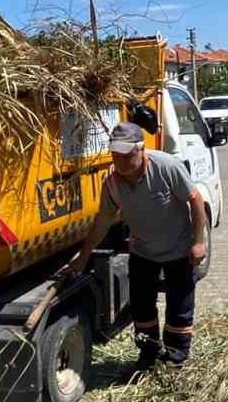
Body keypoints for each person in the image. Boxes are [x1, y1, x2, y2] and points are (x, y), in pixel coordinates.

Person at [64, 121, 207, 366]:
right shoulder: (112, 181)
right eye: (115, 155)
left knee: (179, 306)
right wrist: (83, 256)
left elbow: (195, 200)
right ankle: (149, 355)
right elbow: (102, 222)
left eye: (126, 155)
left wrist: (197, 242)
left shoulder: (166, 167)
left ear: (141, 150)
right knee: (141, 307)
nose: (119, 162)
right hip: (143, 251)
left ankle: (175, 357)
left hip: (178, 249)